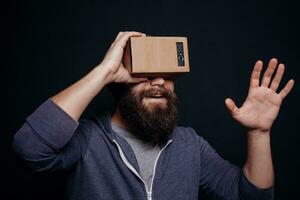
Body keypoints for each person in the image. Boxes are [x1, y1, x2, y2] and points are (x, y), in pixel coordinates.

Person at [13, 31, 294, 200]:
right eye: (144, 72)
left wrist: (259, 134)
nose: (158, 82)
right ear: (116, 80)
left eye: (168, 74)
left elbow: (250, 197)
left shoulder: (189, 145)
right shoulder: (88, 140)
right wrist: (103, 72)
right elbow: (30, 149)